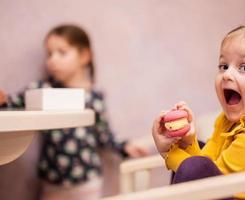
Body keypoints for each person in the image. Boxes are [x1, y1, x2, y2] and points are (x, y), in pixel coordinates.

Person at [152, 22, 245, 199]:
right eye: (223, 66)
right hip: (225, 190)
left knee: (194, 166)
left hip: (226, 190)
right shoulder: (228, 121)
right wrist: (187, 142)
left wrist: (168, 153)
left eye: (244, 67)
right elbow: (209, 166)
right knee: (199, 150)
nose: (227, 75)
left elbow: (208, 183)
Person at [0, 24, 149, 200]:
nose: (52, 60)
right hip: (52, 182)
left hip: (87, 182)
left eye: (61, 52)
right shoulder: (42, 90)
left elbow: (103, 136)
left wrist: (125, 146)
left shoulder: (95, 97)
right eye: (49, 54)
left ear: (84, 56)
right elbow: (11, 103)